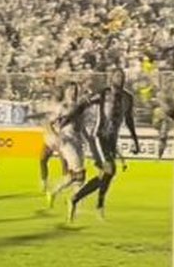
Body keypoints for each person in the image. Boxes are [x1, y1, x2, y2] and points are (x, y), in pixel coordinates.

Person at [68, 69, 139, 222]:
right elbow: (82, 105)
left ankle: (76, 199)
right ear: (111, 78)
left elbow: (129, 120)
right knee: (109, 169)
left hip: (112, 140)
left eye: (122, 76)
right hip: (99, 137)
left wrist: (135, 140)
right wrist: (67, 118)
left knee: (107, 175)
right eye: (117, 76)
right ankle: (97, 206)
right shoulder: (103, 94)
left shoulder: (128, 98)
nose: (120, 79)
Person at [45, 82, 89, 208]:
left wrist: (87, 138)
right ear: (66, 92)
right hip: (66, 140)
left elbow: (81, 125)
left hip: (77, 140)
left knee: (77, 176)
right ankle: (73, 201)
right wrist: (56, 136)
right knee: (79, 172)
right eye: (71, 90)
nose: (73, 92)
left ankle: (54, 192)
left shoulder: (80, 107)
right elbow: (49, 123)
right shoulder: (62, 107)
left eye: (75, 90)